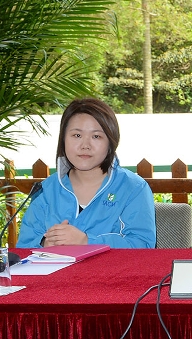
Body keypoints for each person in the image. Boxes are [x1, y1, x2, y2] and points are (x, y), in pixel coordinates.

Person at [17, 98, 156, 249]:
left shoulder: (134, 188)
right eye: (77, 135)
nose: (85, 145)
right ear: (63, 140)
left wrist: (86, 241)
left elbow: (143, 245)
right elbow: (24, 246)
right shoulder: (45, 190)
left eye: (96, 136)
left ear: (111, 142)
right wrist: (44, 243)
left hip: (111, 273)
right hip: (57, 273)